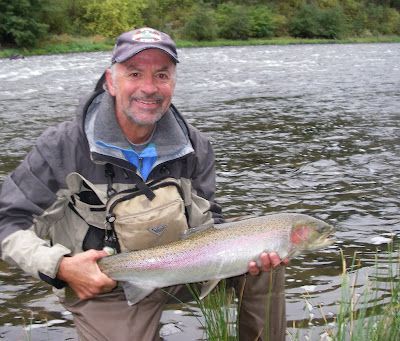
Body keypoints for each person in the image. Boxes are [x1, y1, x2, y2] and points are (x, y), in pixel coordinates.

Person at [0, 27, 287, 340]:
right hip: (108, 283)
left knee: (266, 261)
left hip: (187, 267)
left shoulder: (195, 146)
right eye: (135, 73)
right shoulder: (63, 147)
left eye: (161, 75)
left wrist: (245, 250)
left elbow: (210, 216)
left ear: (173, 83)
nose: (149, 88)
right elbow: (7, 222)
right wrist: (61, 267)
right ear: (111, 81)